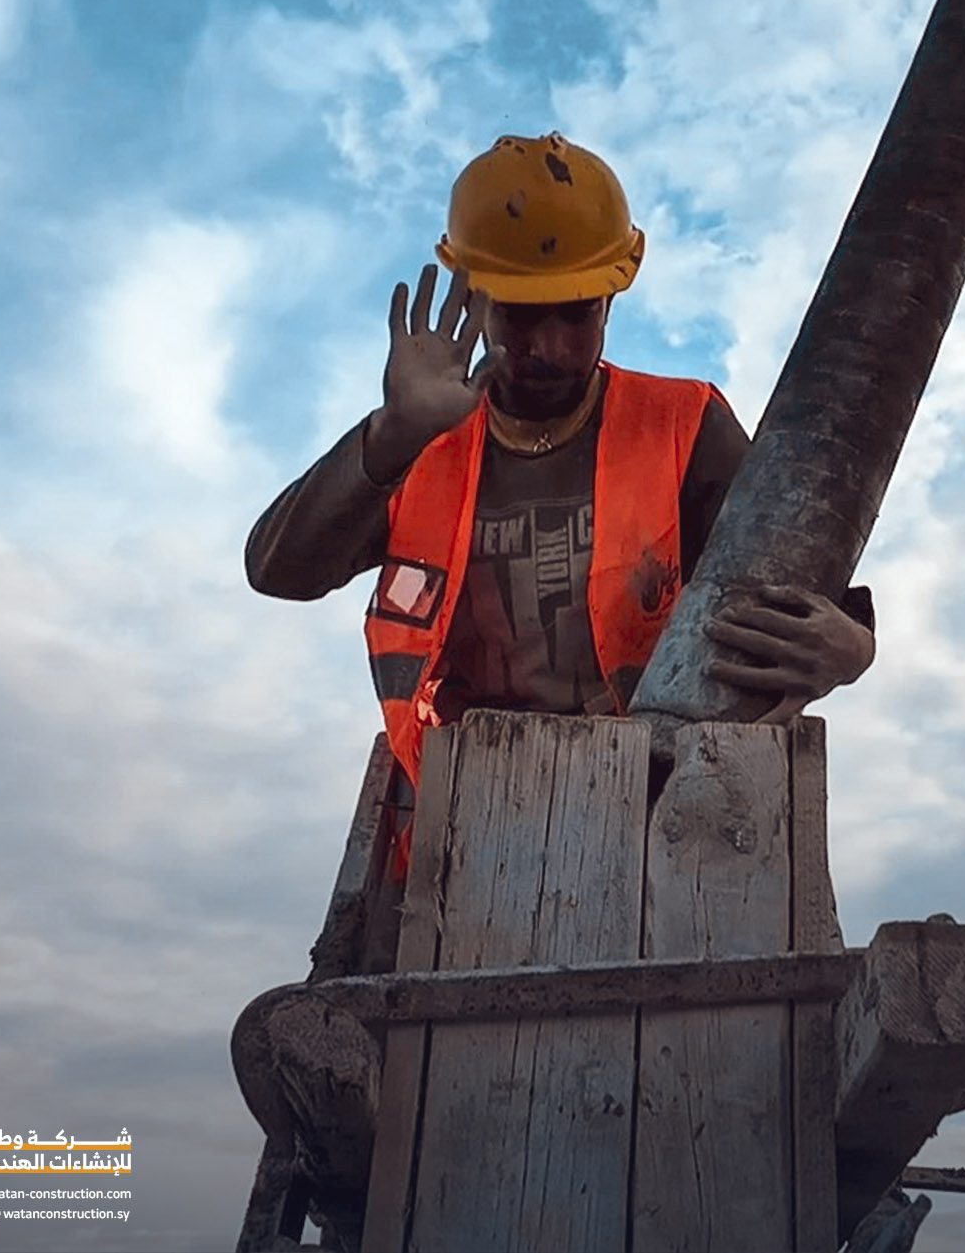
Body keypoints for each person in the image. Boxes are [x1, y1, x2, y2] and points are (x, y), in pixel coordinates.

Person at [246, 131, 876, 938]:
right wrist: (389, 436)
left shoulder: (682, 425)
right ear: (473, 298)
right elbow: (278, 567)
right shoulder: (422, 443)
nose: (545, 346)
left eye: (574, 316)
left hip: (665, 838)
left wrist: (852, 647)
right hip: (459, 848)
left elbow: (785, 594)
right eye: (519, 316)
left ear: (611, 298)